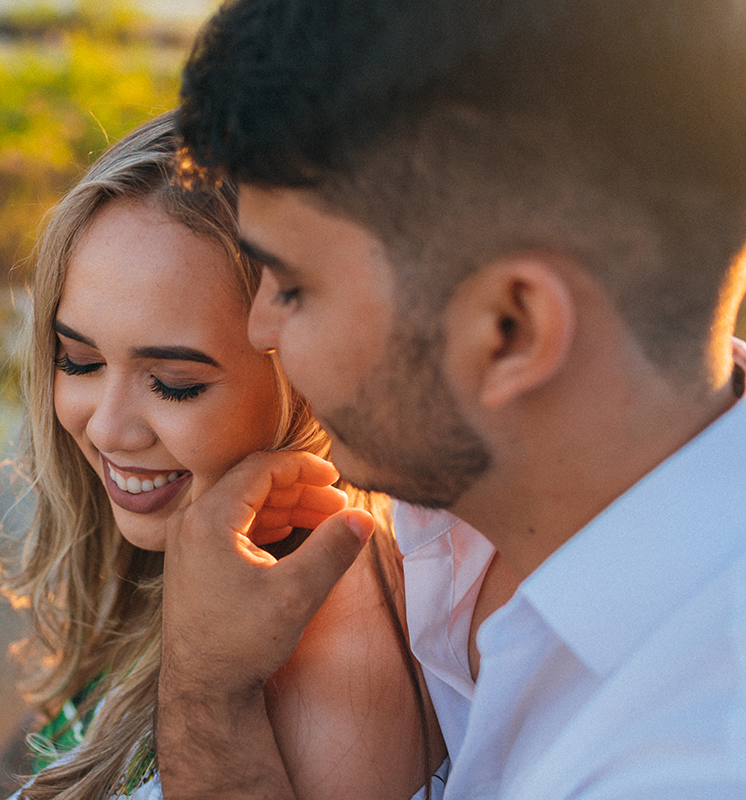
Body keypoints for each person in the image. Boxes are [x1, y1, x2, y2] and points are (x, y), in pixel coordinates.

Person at [157, 1, 746, 798]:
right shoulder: (469, 499)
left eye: (294, 286)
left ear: (510, 330)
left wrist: (203, 695)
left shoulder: (687, 762)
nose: (260, 327)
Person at [0, 111, 448, 800]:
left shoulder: (329, 651)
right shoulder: (178, 560)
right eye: (79, 361)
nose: (110, 428)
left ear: (311, 375)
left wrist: (205, 688)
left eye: (174, 384)